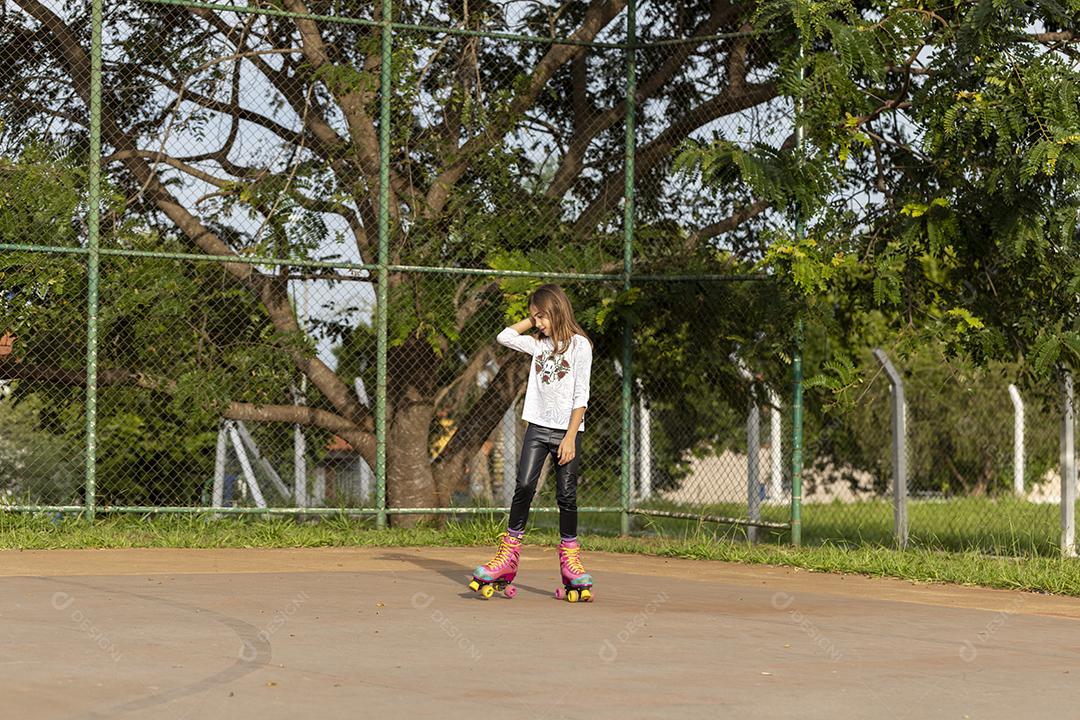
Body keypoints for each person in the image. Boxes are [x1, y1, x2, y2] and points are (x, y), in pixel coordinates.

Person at [468, 284, 595, 602]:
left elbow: (582, 396)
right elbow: (504, 337)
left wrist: (570, 437)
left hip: (567, 432)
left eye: (542, 317)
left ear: (557, 311)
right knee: (523, 486)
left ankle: (571, 564)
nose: (537, 323)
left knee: (566, 495)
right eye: (534, 317)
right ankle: (507, 558)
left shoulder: (580, 346)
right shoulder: (539, 346)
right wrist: (533, 317)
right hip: (537, 428)